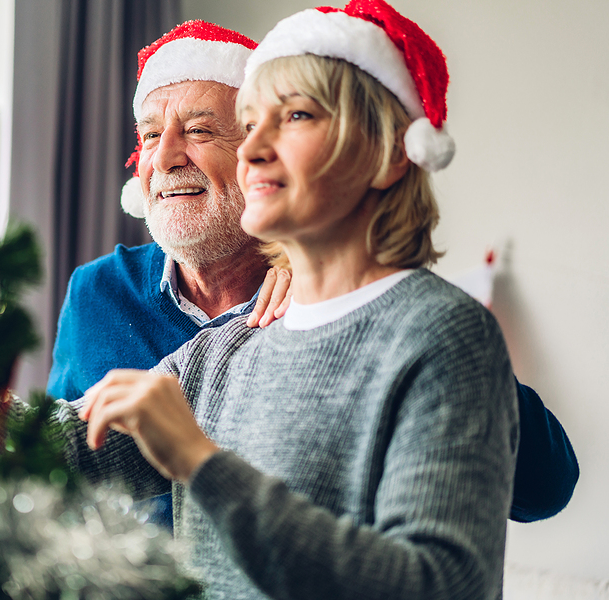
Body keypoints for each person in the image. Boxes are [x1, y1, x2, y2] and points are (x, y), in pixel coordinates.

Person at [47, 19, 577, 526]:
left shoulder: (427, 328)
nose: (162, 157)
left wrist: (200, 465)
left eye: (202, 130)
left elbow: (532, 495)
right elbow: (53, 459)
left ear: (388, 156)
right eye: (149, 134)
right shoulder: (200, 343)